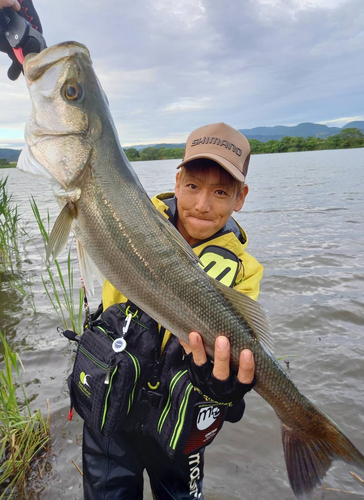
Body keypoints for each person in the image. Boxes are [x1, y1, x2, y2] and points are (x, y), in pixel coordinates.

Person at [82, 122, 264, 499]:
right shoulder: (135, 217)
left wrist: (222, 389)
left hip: (178, 423)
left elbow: (242, 347)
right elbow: (95, 161)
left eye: (220, 192)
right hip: (112, 408)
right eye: (193, 186)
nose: (202, 204)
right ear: (177, 180)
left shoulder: (245, 270)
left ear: (240, 197)